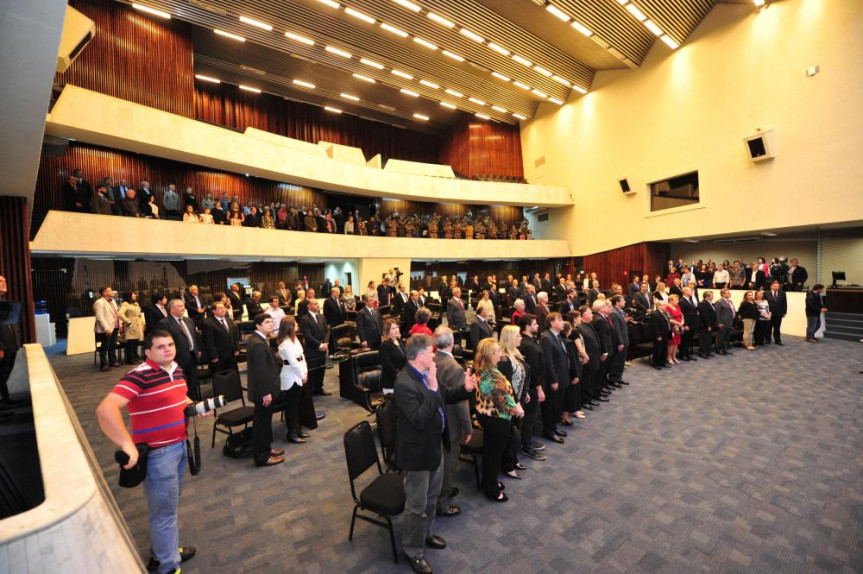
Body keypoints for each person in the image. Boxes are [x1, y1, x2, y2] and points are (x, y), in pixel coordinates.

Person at [95, 330, 203, 574]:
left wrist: (193, 407)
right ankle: (168, 566)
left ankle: (163, 551)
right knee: (164, 513)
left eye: (171, 344)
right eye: (161, 346)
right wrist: (126, 443)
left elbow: (179, 396)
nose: (168, 349)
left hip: (179, 447)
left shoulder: (175, 369)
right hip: (159, 455)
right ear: (148, 352)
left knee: (169, 507)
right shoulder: (139, 376)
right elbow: (106, 409)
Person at [394, 333, 471, 573]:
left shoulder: (426, 373)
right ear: (419, 356)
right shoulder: (404, 382)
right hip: (417, 454)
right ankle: (413, 551)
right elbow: (418, 419)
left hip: (435, 445)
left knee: (431, 496)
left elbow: (446, 394)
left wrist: (465, 388)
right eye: (431, 353)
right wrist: (434, 388)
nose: (434, 356)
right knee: (416, 506)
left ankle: (426, 535)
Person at [474, 338, 524, 501]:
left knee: (491, 453)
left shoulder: (486, 369)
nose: (500, 353)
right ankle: (491, 489)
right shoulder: (491, 377)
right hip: (496, 420)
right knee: (493, 455)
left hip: (489, 416)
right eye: (497, 351)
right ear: (490, 356)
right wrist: (517, 409)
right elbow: (503, 400)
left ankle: (489, 481)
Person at [433, 326, 475, 518]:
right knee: (450, 460)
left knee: (443, 458)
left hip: (438, 418)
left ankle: (443, 490)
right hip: (451, 421)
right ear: (451, 343)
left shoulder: (433, 360)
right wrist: (468, 428)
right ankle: (442, 501)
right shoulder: (455, 368)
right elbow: (461, 403)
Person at [246, 314, 285, 467]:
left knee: (264, 423)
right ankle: (262, 457)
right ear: (258, 326)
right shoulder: (258, 344)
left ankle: (266, 449)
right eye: (267, 322)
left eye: (271, 321)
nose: (271, 324)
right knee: (261, 425)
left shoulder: (258, 339)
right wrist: (266, 393)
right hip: (263, 392)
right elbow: (261, 372)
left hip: (264, 390)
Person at [496, 325, 529, 478]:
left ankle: (513, 459)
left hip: (519, 398)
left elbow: (522, 374)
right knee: (510, 435)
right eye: (518, 335)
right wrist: (516, 403)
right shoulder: (503, 359)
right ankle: (508, 465)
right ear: (510, 338)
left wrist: (525, 391)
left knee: (515, 432)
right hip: (510, 403)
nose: (521, 337)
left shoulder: (515, 353)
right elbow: (506, 385)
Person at [157, 299, 202, 401]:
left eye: (183, 306)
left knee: (193, 380)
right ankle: (182, 402)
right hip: (177, 358)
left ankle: (193, 402)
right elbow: (163, 343)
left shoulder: (189, 320)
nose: (183, 308)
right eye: (180, 306)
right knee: (180, 382)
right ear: (171, 309)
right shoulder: (164, 323)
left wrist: (198, 349)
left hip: (192, 355)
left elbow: (195, 336)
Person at [276, 316, 308, 444]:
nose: (297, 324)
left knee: (297, 405)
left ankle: (298, 429)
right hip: (291, 377)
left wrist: (305, 372)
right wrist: (302, 375)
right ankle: (292, 433)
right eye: (295, 323)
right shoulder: (285, 344)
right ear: (290, 327)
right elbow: (293, 363)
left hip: (299, 374)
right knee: (291, 407)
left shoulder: (295, 339)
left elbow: (302, 357)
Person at [540, 313, 570, 443]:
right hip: (554, 379)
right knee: (550, 406)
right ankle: (548, 431)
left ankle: (554, 427)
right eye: (560, 320)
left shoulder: (557, 336)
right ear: (552, 323)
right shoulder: (546, 338)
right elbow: (548, 361)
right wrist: (553, 380)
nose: (563, 322)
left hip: (562, 376)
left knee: (557, 405)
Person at [299, 298, 330, 396]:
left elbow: (327, 331)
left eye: (318, 304)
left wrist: (325, 343)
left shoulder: (321, 316)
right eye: (315, 304)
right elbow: (307, 336)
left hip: (323, 348)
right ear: (309, 306)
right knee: (313, 370)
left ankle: (319, 388)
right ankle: (311, 390)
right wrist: (320, 345)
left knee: (322, 369)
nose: (318, 305)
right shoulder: (304, 319)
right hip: (312, 349)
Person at [202, 302, 239, 374]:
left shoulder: (229, 320)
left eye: (223, 308)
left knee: (233, 375)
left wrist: (236, 349)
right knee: (221, 378)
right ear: (214, 311)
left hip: (232, 354)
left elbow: (235, 336)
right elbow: (209, 342)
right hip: (219, 356)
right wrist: (214, 356)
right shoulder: (208, 323)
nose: (223, 310)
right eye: (220, 308)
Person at [0, 275, 21, 404]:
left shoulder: (4, 303)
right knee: (1, 374)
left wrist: (16, 342)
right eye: (0, 281)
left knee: (4, 374)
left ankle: (5, 400)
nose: (4, 283)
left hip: (11, 346)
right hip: (2, 347)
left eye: (5, 281)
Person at [94, 286, 122, 372]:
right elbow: (99, 317)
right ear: (104, 293)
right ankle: (104, 364)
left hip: (115, 326)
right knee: (105, 346)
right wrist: (106, 328)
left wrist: (120, 324)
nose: (112, 291)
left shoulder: (113, 300)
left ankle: (112, 361)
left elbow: (116, 314)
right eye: (110, 290)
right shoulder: (99, 302)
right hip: (105, 329)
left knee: (112, 345)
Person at [379, 319, 406, 395]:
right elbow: (387, 364)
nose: (396, 330)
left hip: (402, 380)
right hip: (391, 383)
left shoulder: (400, 342)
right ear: (387, 331)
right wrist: (399, 374)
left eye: (397, 327)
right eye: (393, 328)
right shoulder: (384, 345)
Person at [118, 291, 144, 364]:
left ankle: (136, 356)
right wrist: (127, 321)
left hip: (137, 325)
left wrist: (142, 322)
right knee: (131, 343)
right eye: (133, 294)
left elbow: (139, 314)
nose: (135, 295)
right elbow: (120, 314)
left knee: (135, 342)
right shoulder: (125, 304)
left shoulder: (136, 304)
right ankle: (131, 359)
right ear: (129, 295)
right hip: (130, 325)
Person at [678, 287, 699, 361]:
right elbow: (682, 314)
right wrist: (685, 324)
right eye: (690, 290)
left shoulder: (690, 300)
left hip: (692, 323)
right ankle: (682, 355)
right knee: (685, 340)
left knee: (689, 340)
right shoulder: (682, 301)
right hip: (687, 324)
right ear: (685, 292)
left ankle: (687, 354)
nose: (692, 291)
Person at [649, 300, 671, 369]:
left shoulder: (664, 313)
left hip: (666, 334)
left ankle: (663, 362)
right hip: (659, 335)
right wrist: (658, 335)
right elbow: (654, 326)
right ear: (658, 306)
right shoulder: (654, 314)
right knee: (658, 350)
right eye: (664, 305)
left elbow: (667, 322)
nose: (665, 306)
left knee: (664, 349)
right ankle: (656, 364)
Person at [714, 289, 736, 356]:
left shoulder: (730, 301)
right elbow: (717, 314)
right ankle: (718, 349)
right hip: (722, 323)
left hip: (729, 322)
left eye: (729, 293)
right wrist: (719, 323)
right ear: (723, 294)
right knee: (720, 336)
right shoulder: (719, 302)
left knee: (726, 337)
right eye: (728, 293)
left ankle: (724, 349)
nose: (729, 294)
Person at [764, 280, 787, 345]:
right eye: (775, 286)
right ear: (771, 286)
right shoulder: (766, 293)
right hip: (769, 313)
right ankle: (767, 339)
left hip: (779, 313)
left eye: (778, 286)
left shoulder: (782, 293)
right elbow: (764, 303)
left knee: (777, 328)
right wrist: (765, 313)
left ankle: (778, 340)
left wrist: (784, 312)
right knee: (768, 327)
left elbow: (784, 303)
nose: (776, 287)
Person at [697, 291, 718, 358]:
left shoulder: (710, 303)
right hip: (704, 325)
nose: (713, 297)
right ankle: (702, 352)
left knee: (709, 339)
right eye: (712, 295)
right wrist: (708, 325)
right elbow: (705, 316)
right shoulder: (703, 304)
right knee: (704, 339)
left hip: (710, 324)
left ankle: (707, 351)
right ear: (707, 296)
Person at [666, 294, 684, 365]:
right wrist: (677, 323)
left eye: (677, 300)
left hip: (678, 327)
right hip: (672, 327)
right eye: (676, 300)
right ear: (670, 300)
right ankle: (669, 357)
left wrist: (682, 322)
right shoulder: (667, 307)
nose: (678, 301)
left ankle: (674, 356)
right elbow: (668, 319)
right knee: (671, 343)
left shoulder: (677, 306)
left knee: (676, 343)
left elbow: (682, 315)